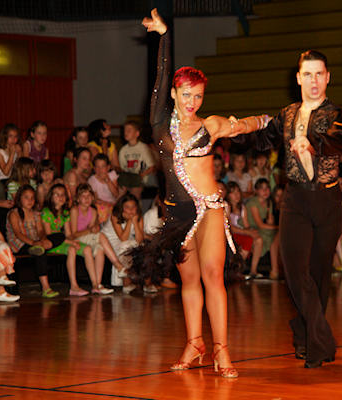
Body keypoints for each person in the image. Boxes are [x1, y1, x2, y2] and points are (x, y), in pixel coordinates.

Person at [128, 9, 270, 378]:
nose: (192, 101)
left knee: (212, 276)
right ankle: (195, 344)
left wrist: (274, 120)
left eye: (199, 96)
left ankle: (222, 350)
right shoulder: (159, 124)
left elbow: (247, 125)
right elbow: (160, 75)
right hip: (177, 213)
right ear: (174, 94)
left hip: (210, 210)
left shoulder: (211, 125)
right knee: (188, 281)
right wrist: (164, 37)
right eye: (186, 94)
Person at [235, 49, 342, 368]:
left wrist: (310, 142)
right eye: (307, 74)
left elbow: (337, 141)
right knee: (296, 273)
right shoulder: (286, 114)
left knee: (319, 276)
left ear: (327, 77)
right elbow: (262, 141)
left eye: (319, 74)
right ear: (298, 78)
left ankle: (303, 333)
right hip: (295, 199)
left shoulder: (337, 115)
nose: (314, 80)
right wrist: (238, 132)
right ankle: (321, 342)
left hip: (326, 200)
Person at [41, 183, 96, 296]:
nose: (60, 197)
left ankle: (96, 284)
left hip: (63, 242)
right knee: (71, 249)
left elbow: (69, 234)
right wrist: (71, 242)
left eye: (63, 195)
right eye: (57, 195)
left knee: (87, 248)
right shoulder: (46, 212)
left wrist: (74, 241)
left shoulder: (65, 213)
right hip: (50, 244)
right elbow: (49, 235)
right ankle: (74, 286)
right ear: (50, 197)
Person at [70, 183, 125, 295]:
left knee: (100, 249)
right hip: (76, 239)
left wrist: (93, 229)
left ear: (93, 197)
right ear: (78, 199)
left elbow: (91, 231)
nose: (86, 199)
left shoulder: (93, 211)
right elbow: (74, 234)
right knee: (101, 236)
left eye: (89, 196)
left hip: (87, 239)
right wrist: (91, 231)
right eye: (83, 196)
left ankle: (97, 285)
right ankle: (118, 265)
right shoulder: (75, 210)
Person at [6, 185, 58, 298]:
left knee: (59, 236)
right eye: (26, 197)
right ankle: (46, 288)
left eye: (32, 198)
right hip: (19, 244)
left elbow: (40, 230)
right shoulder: (14, 213)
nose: (30, 201)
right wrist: (33, 243)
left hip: (36, 242)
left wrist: (43, 239)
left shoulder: (36, 213)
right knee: (40, 252)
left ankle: (41, 246)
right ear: (19, 198)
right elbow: (18, 234)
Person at [101, 193, 144, 294]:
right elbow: (122, 238)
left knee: (138, 246)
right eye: (127, 207)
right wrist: (129, 221)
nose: (131, 210)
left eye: (133, 207)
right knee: (126, 246)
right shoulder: (115, 215)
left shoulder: (138, 217)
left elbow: (139, 240)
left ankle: (138, 281)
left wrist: (135, 222)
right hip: (110, 238)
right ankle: (126, 283)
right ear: (122, 207)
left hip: (127, 238)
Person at [225, 182, 263, 279]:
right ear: (228, 195)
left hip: (240, 232)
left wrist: (251, 231)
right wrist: (248, 232)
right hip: (230, 235)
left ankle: (253, 270)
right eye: (233, 193)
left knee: (258, 239)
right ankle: (237, 269)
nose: (237, 195)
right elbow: (230, 228)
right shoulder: (226, 207)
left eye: (238, 191)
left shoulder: (242, 207)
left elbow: (246, 225)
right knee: (248, 240)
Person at [246, 179, 280, 279]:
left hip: (263, 228)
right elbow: (260, 224)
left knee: (276, 236)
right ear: (256, 191)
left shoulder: (269, 202)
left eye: (267, 188)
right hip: (251, 227)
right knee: (273, 234)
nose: (265, 191)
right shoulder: (253, 203)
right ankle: (255, 270)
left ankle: (275, 269)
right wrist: (277, 227)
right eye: (262, 189)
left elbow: (269, 222)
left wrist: (271, 222)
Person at [118, 120, 158, 199]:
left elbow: (151, 167)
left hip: (141, 177)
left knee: (135, 191)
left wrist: (141, 175)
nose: (126, 132)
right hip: (129, 177)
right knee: (121, 189)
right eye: (125, 130)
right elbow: (122, 168)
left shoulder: (143, 148)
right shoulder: (123, 150)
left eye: (129, 130)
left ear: (137, 134)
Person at [88, 154, 123, 223]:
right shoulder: (92, 180)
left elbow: (116, 194)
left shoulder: (112, 175)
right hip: (101, 204)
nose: (100, 170)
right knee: (100, 209)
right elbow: (95, 199)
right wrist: (107, 204)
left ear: (108, 167)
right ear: (94, 168)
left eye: (103, 166)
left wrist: (108, 181)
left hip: (113, 203)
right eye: (97, 167)